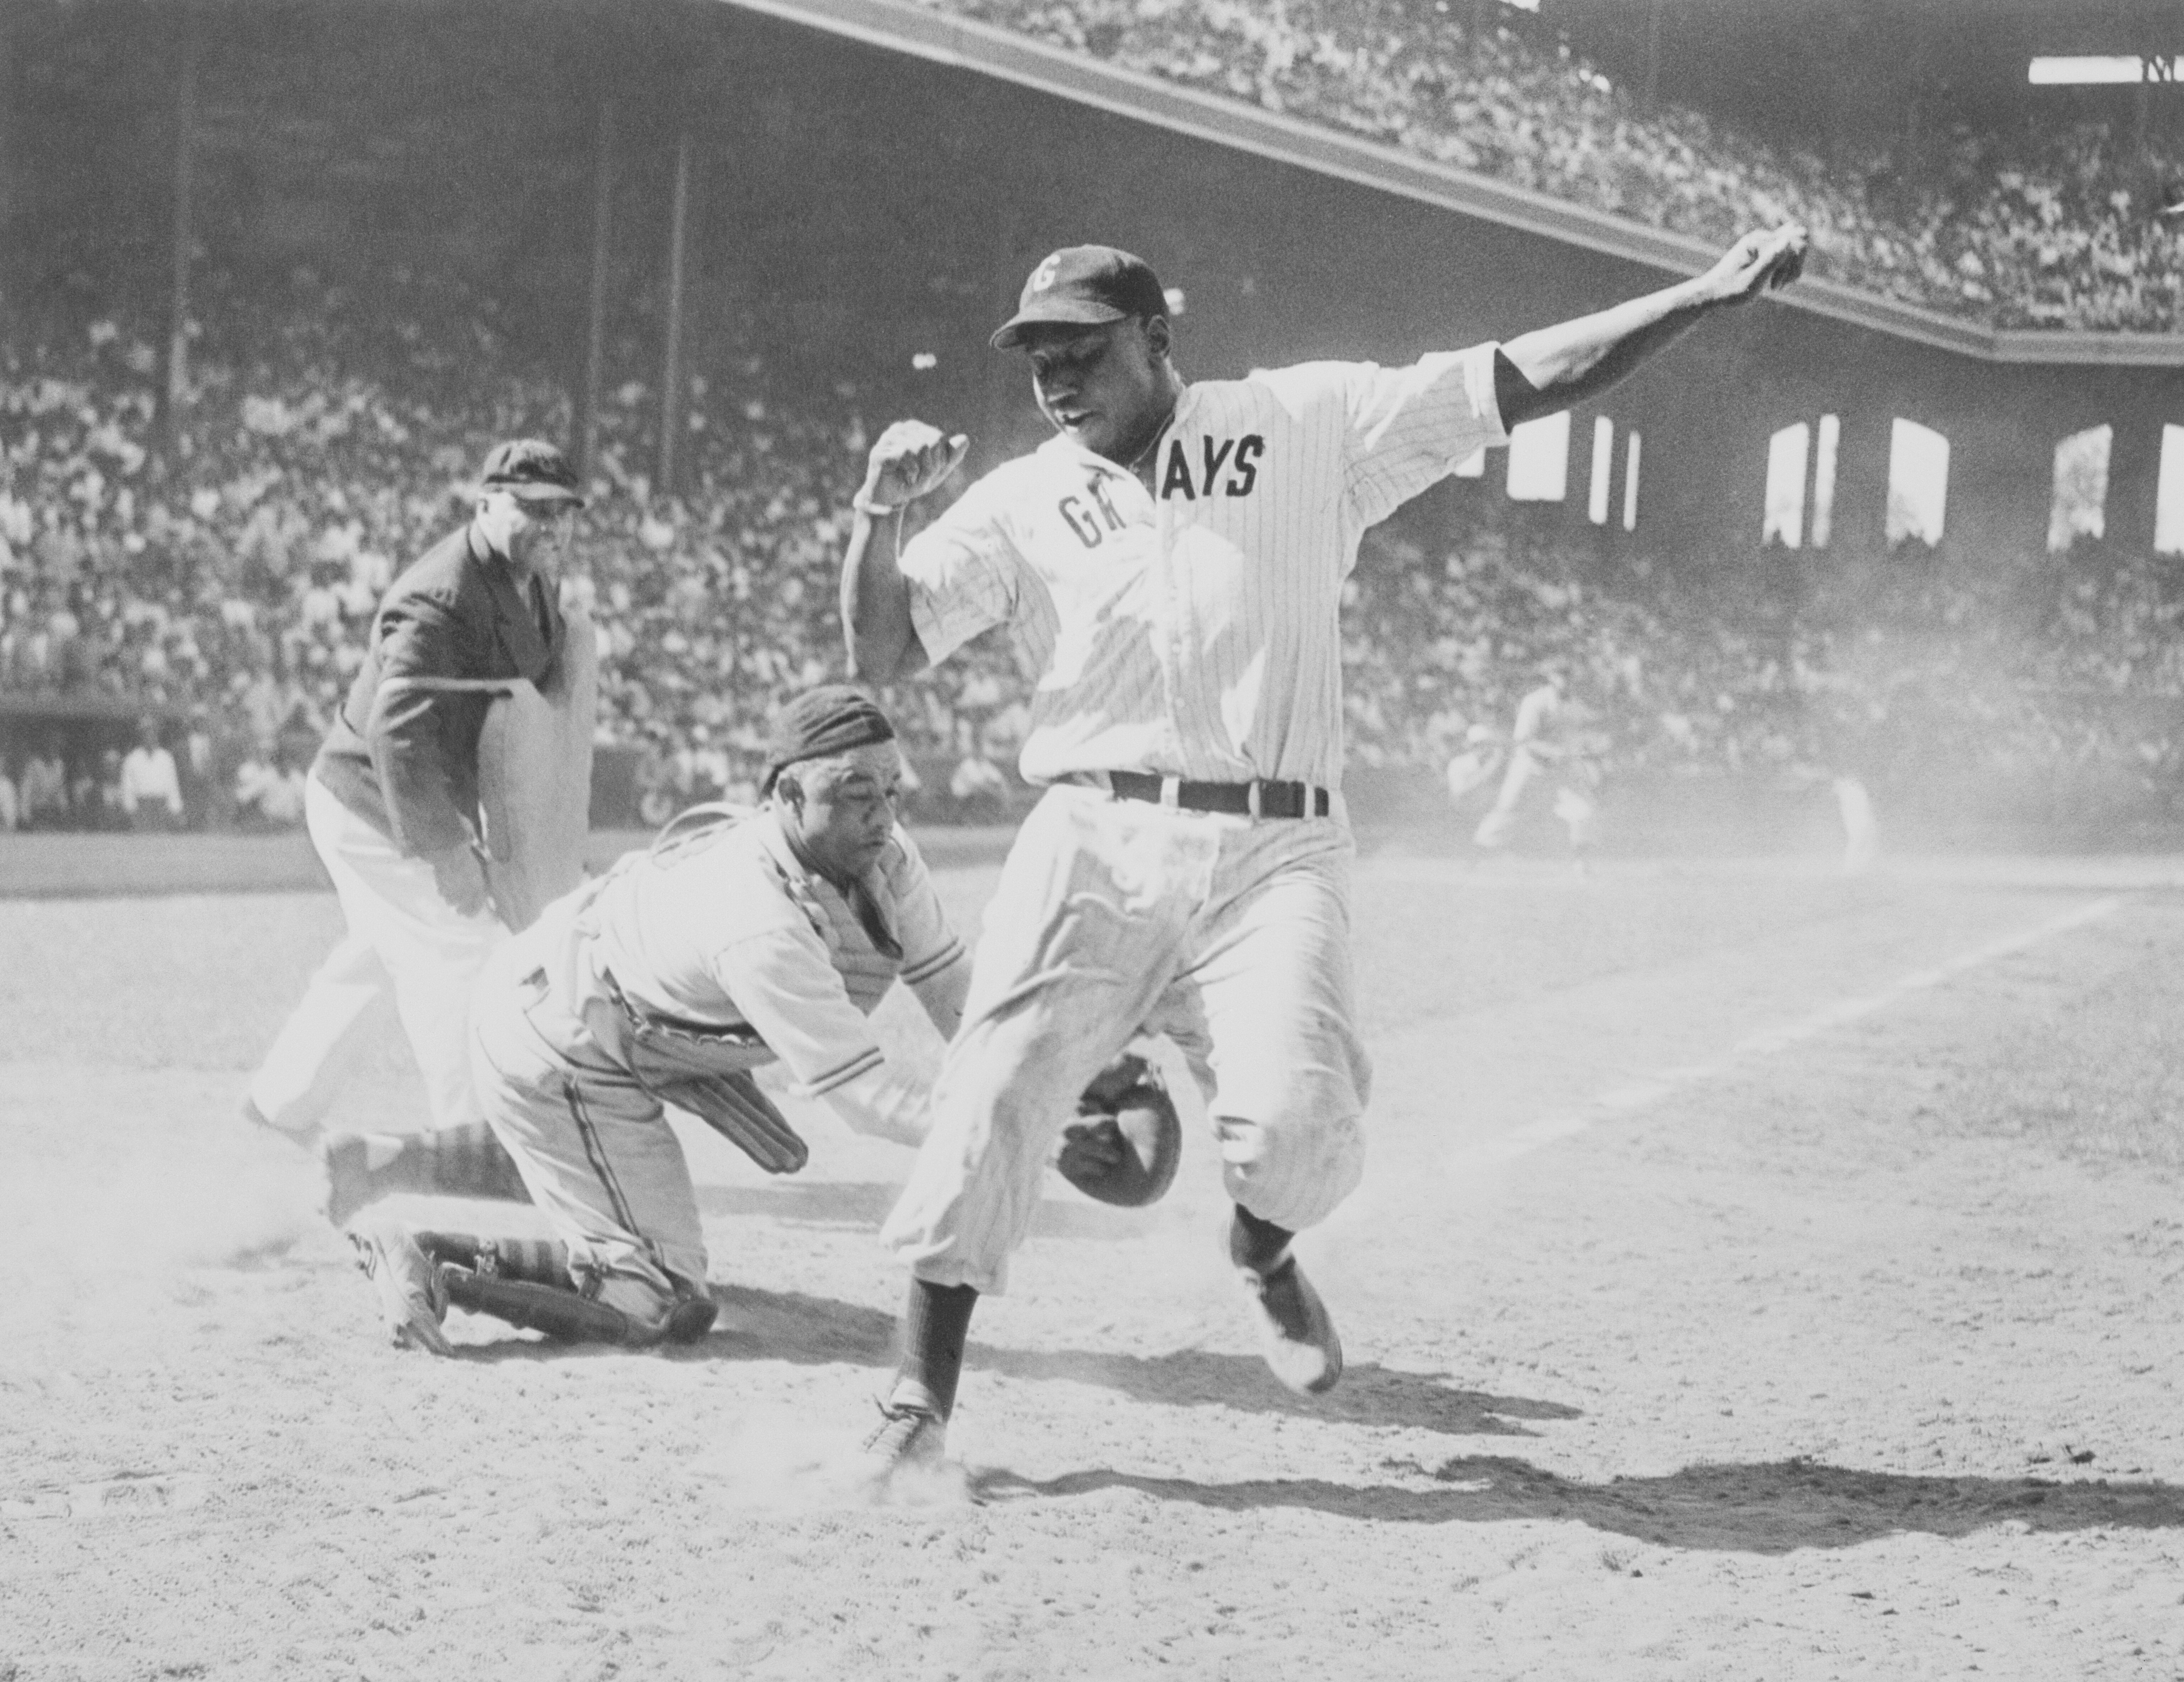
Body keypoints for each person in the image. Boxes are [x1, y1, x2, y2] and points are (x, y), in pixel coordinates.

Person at [839, 227, 1807, 1476]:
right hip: (1091, 832)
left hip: (1273, 841)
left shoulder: (1308, 423)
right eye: (1038, 360)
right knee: (993, 1085)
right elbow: (882, 651)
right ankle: (918, 1398)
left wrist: (1704, 294)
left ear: (1158, 341)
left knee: (1299, 1127)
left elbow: (1517, 379)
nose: (1057, 380)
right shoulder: (1023, 497)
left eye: (1083, 350)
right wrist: (876, 513)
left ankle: (1261, 1248)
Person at [342, 687, 973, 1355]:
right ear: (788, 796)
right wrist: (1009, 1133)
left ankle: (391, 1157)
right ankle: (429, 1255)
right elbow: (867, 1099)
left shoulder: (885, 858)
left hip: (618, 1019)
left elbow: (954, 991)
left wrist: (1038, 1082)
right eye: (855, 794)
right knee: (656, 1298)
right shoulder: (758, 918)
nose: (882, 816)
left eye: (891, 791)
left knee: (626, 1233)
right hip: (558, 1039)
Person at [242, 439, 586, 1156]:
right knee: (462, 954)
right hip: (373, 801)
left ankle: (279, 1104)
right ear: (486, 502)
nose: (551, 527)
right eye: (532, 509)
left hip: (405, 794)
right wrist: (447, 850)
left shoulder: (533, 580)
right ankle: (475, 1141)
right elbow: (398, 733)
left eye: (564, 514)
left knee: (376, 959)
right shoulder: (441, 593)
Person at [1471, 666, 1604, 866]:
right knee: (1505, 812)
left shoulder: (1575, 705)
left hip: (1562, 770)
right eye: (1561, 675)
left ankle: (1583, 865)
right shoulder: (1535, 701)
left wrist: (1588, 748)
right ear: (1551, 678)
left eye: (1569, 675)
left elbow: (1582, 735)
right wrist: (1554, 752)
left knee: (1585, 812)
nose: (1566, 680)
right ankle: (1476, 857)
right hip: (1530, 767)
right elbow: (1524, 740)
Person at [119, 716, 185, 831]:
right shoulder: (132, 759)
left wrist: (176, 810)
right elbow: (127, 788)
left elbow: (173, 786)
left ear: (157, 734)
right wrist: (131, 811)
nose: (150, 736)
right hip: (141, 809)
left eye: (153, 732)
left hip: (162, 808)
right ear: (141, 735)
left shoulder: (166, 758)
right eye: (146, 732)